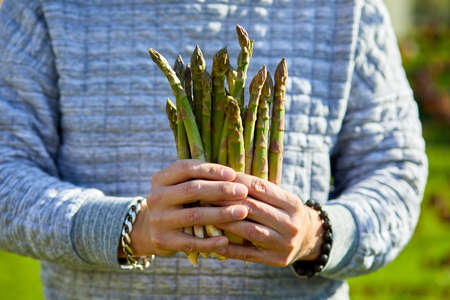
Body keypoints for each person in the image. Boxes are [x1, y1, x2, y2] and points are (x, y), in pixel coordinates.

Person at [0, 0, 427, 299]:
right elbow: (7, 172)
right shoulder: (44, 6)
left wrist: (316, 234)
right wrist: (131, 228)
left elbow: (395, 170)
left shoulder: (348, 8)